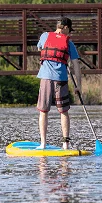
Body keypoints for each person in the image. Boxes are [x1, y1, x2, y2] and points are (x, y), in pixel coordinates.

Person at [36, 17, 82, 150]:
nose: (70, 34)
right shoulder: (69, 43)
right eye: (70, 31)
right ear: (66, 27)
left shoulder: (45, 36)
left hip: (45, 78)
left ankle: (43, 144)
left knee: (43, 111)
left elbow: (41, 49)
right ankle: (65, 144)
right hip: (61, 79)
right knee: (64, 112)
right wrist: (78, 85)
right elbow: (76, 66)